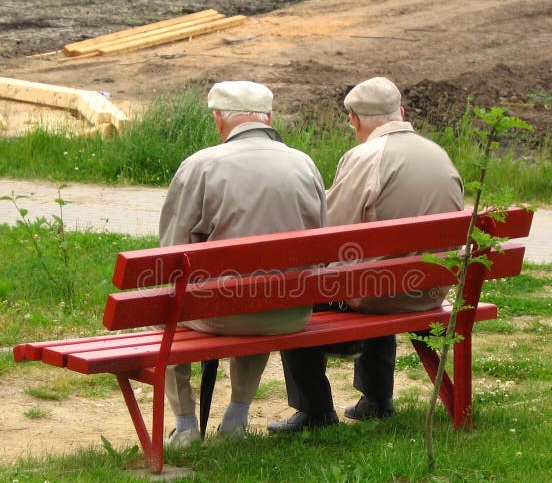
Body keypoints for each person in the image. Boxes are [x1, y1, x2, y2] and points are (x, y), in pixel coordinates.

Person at [268, 76, 464, 433]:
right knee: (381, 269)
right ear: (401, 113)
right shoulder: (438, 154)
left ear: (355, 120)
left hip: (384, 293)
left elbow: (329, 231)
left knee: (298, 290)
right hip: (433, 288)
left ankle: (314, 409)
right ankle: (376, 398)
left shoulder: (365, 156)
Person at [159, 80, 327, 448]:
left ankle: (186, 426)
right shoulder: (304, 163)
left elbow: (169, 253)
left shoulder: (201, 165)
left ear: (220, 120)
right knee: (265, 287)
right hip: (291, 310)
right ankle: (236, 417)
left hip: (226, 313)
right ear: (268, 118)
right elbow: (322, 239)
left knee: (164, 299)